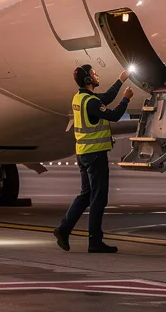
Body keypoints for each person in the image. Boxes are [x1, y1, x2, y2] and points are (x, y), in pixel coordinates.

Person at [54, 65, 133, 253]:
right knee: (98, 198)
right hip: (95, 155)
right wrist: (125, 99)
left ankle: (63, 229)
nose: (97, 76)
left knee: (86, 195)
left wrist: (121, 80)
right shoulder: (91, 102)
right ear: (88, 80)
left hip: (83, 153)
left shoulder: (80, 97)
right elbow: (114, 115)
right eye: (93, 74)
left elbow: (105, 98)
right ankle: (95, 241)